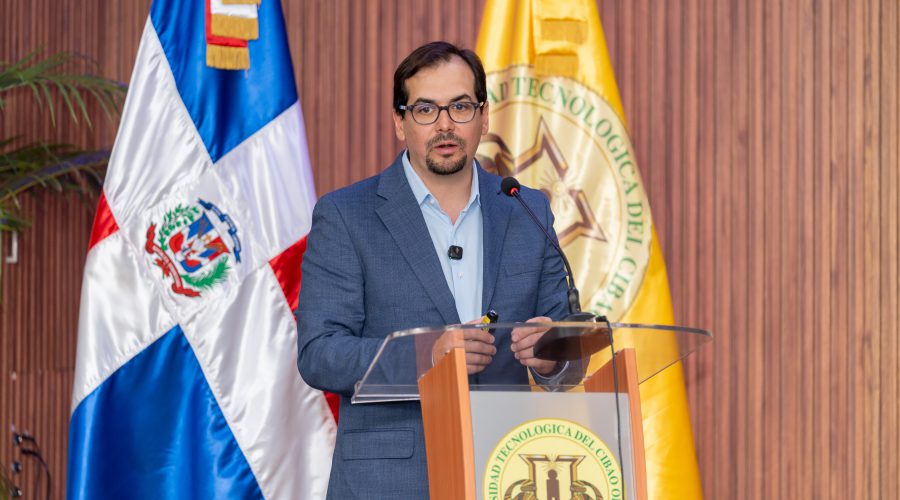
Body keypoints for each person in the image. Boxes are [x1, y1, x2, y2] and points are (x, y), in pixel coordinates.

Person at [296, 41, 580, 499]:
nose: (445, 124)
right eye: (426, 109)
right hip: (390, 483)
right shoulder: (347, 215)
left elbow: (566, 348)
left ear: (483, 117)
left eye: (460, 107)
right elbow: (320, 353)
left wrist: (552, 355)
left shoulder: (526, 209)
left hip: (507, 470)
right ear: (400, 122)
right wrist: (428, 355)